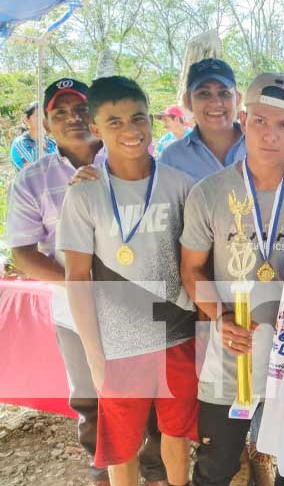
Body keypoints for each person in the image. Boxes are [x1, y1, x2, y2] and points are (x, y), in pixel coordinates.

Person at [5, 78, 167, 486]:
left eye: (80, 110)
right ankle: (105, 470)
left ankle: (154, 469)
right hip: (75, 313)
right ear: (45, 123)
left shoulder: (135, 163)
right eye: (59, 113)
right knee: (92, 397)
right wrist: (83, 286)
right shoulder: (32, 180)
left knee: (151, 393)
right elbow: (22, 254)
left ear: (95, 118)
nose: (71, 120)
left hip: (141, 305)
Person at [179, 72, 284, 486]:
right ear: (243, 119)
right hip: (231, 358)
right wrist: (219, 316)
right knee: (216, 468)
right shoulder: (208, 193)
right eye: (260, 121)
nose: (270, 134)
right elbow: (190, 270)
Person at [58, 76, 198, 486]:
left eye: (138, 118)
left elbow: (195, 264)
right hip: (118, 344)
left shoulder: (179, 186)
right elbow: (78, 277)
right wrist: (94, 354)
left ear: (151, 120)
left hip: (178, 335)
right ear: (96, 129)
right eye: (114, 122)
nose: (131, 130)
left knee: (176, 435)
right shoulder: (85, 194)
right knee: (121, 445)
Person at [159, 58, 247, 181]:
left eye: (224, 93)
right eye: (204, 94)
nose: (216, 102)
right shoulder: (172, 159)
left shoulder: (261, 146)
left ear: (237, 99)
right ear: (188, 101)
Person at [10, 101, 58, 171]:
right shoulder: (21, 144)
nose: (43, 119)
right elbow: (35, 172)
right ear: (26, 119)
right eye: (38, 116)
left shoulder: (52, 144)